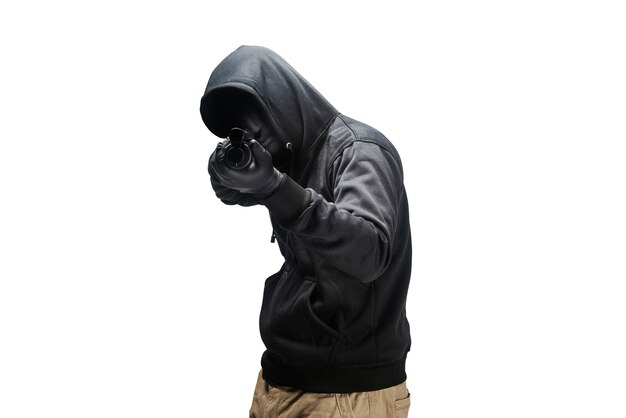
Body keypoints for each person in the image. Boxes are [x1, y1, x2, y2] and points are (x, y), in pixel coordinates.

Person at [201, 45, 412, 417]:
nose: (253, 145)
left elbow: (369, 252)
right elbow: (263, 191)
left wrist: (273, 188)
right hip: (282, 379)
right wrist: (233, 179)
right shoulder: (292, 154)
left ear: (281, 105)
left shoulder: (360, 152)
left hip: (346, 395)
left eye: (255, 133)